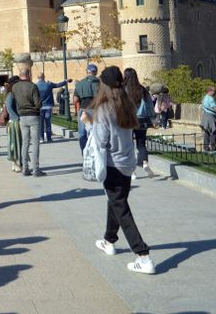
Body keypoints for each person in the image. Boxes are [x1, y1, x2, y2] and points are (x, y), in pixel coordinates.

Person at [84, 66, 155, 275]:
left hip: (113, 164)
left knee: (121, 208)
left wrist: (89, 123)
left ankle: (143, 255)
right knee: (116, 202)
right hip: (127, 162)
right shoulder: (127, 105)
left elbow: (100, 141)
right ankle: (109, 240)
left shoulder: (104, 109)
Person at [123, 68, 156, 179]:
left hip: (128, 120)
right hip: (142, 119)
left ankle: (132, 171)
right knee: (141, 144)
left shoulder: (123, 89)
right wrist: (153, 117)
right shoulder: (142, 89)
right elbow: (150, 105)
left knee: (129, 145)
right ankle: (145, 162)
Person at [12, 68, 43, 177]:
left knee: (25, 143)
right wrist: (38, 107)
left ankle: (25, 168)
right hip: (33, 116)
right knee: (35, 143)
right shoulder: (33, 86)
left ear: (20, 75)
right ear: (29, 75)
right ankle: (36, 169)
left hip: (22, 117)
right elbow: (37, 103)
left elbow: (15, 101)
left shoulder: (15, 87)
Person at [35, 73, 71, 143]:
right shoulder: (49, 84)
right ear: (44, 77)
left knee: (41, 123)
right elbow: (58, 85)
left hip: (40, 107)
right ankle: (49, 138)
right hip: (48, 106)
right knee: (48, 123)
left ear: (37, 77)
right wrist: (66, 81)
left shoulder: (35, 86)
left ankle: (41, 138)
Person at [74, 64, 100, 152]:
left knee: (82, 133)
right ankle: (95, 151)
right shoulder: (99, 83)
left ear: (87, 72)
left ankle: (84, 152)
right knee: (96, 131)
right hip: (95, 109)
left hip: (83, 109)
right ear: (95, 72)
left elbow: (75, 99)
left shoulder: (79, 83)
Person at [4, 77, 23, 173]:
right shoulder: (11, 94)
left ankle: (15, 163)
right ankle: (16, 163)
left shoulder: (12, 94)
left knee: (14, 143)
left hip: (14, 121)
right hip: (14, 122)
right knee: (15, 144)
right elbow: (9, 107)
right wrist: (16, 118)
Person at [200, 86, 216, 152]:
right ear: (210, 91)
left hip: (205, 115)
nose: (215, 92)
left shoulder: (205, 97)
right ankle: (213, 147)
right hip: (211, 116)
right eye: (214, 91)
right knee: (214, 132)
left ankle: (206, 147)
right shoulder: (210, 99)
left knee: (207, 132)